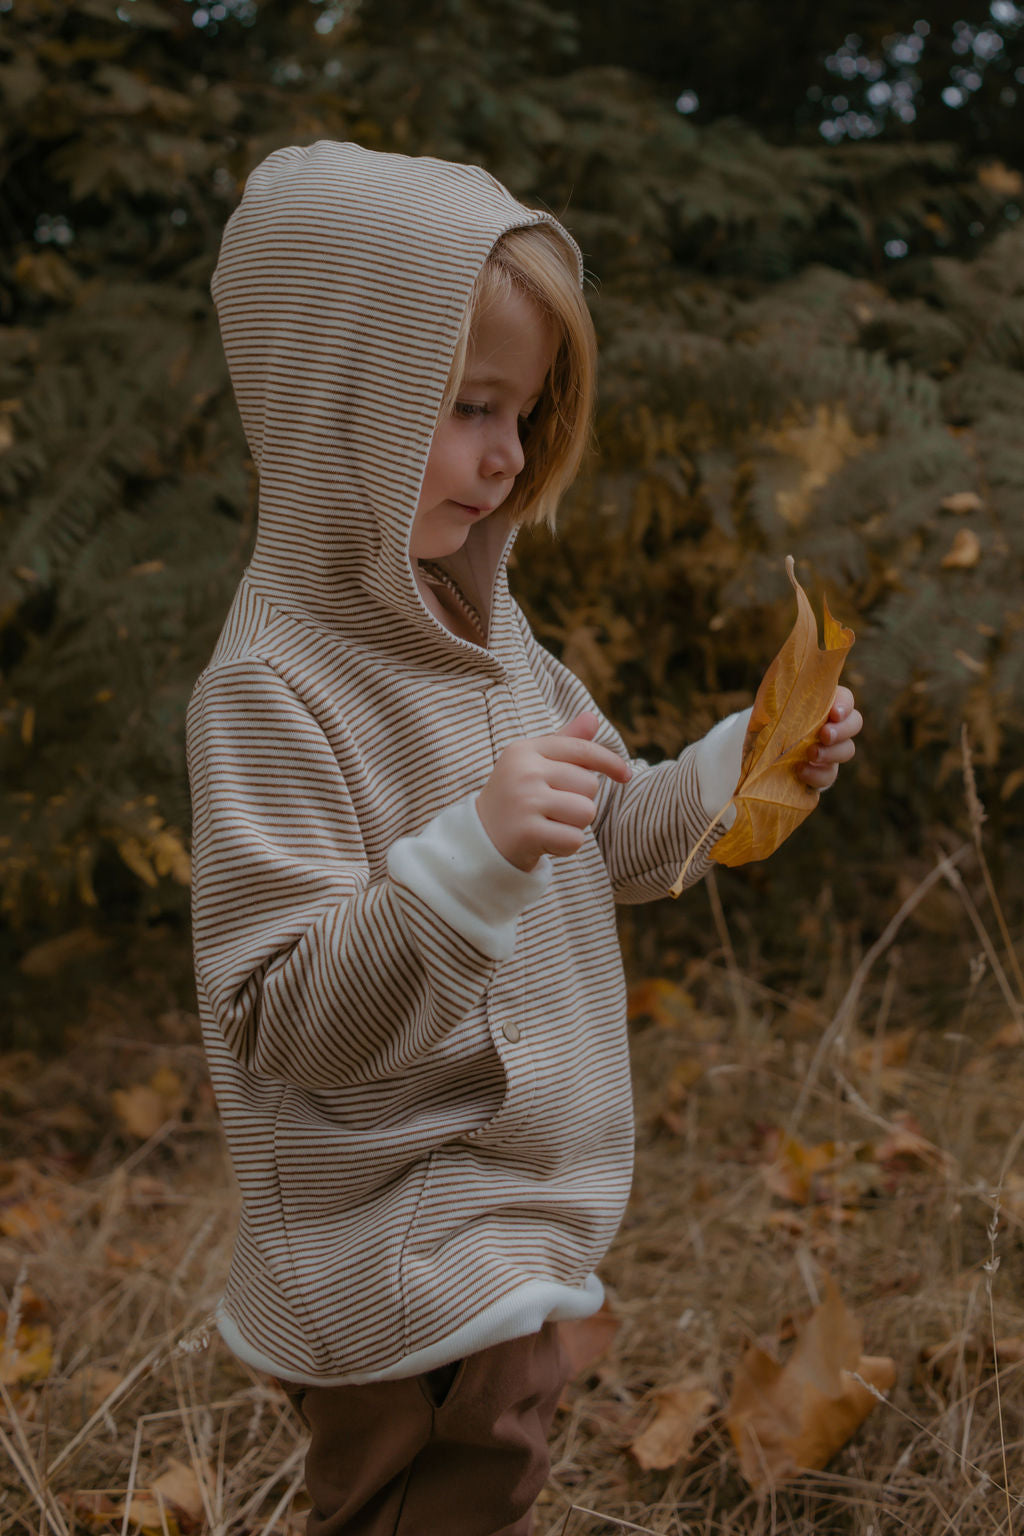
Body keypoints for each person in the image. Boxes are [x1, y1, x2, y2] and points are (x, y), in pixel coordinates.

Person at [186, 141, 862, 1536]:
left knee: (493, 1467)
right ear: (338, 402)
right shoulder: (271, 685)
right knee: (422, 1493)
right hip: (387, 1231)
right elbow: (280, 1015)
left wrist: (745, 761)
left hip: (498, 1213)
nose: (505, 455)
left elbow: (611, 838)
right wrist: (467, 860)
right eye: (467, 406)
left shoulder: (491, 636)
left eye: (526, 411)